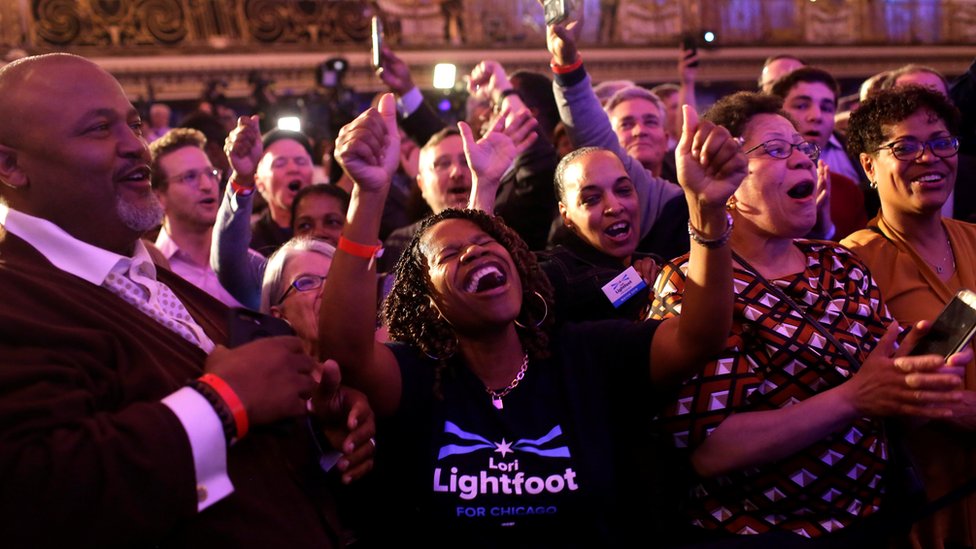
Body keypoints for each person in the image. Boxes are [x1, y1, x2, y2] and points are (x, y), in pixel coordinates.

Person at [319, 90, 746, 545]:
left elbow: (699, 336)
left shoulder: (586, 356)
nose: (474, 251)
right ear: (429, 300)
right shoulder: (418, 374)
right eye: (449, 254)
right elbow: (346, 351)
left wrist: (707, 212)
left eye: (487, 244)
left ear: (520, 266)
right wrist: (368, 194)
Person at [0, 52, 374, 547]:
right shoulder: (15, 296)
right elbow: (35, 494)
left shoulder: (148, 276)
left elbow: (232, 459)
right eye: (99, 128)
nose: (135, 147)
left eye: (135, 125)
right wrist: (224, 401)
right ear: (10, 165)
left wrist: (311, 430)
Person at [648, 90, 967, 547]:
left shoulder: (840, 265)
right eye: (777, 149)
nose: (802, 160)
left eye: (804, 148)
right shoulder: (693, 283)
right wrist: (853, 398)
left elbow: (886, 413)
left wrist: (916, 385)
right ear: (727, 178)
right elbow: (711, 451)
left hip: (873, 524)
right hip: (759, 535)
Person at [841, 84, 976, 549]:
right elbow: (856, 399)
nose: (929, 158)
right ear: (868, 166)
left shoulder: (973, 238)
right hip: (924, 505)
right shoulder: (852, 263)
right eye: (905, 147)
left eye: (941, 142)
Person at [546, 15, 691, 261]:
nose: (639, 131)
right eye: (626, 124)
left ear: (666, 137)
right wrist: (567, 62)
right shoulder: (569, 262)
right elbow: (588, 126)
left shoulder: (682, 194)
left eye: (650, 121)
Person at [536, 147, 662, 323]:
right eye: (591, 199)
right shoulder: (552, 275)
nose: (614, 207)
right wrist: (636, 280)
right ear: (566, 215)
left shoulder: (651, 262)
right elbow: (600, 296)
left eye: (623, 190)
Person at [149, 127, 247, 307]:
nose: (207, 185)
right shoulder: (152, 275)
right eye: (189, 177)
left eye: (211, 174)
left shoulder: (248, 262)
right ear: (158, 197)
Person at [213, 180, 347, 310]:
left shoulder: (360, 279)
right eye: (305, 226)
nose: (318, 232)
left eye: (332, 222)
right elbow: (230, 261)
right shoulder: (278, 280)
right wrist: (242, 181)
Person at [770, 66, 867, 239]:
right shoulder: (755, 182)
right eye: (801, 106)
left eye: (827, 108)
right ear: (777, 112)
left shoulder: (847, 189)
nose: (816, 116)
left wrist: (826, 233)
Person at [216, 119, 315, 258]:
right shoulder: (252, 243)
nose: (293, 168)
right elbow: (228, 259)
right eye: (280, 163)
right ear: (259, 183)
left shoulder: (334, 230)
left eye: (301, 161)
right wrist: (242, 178)